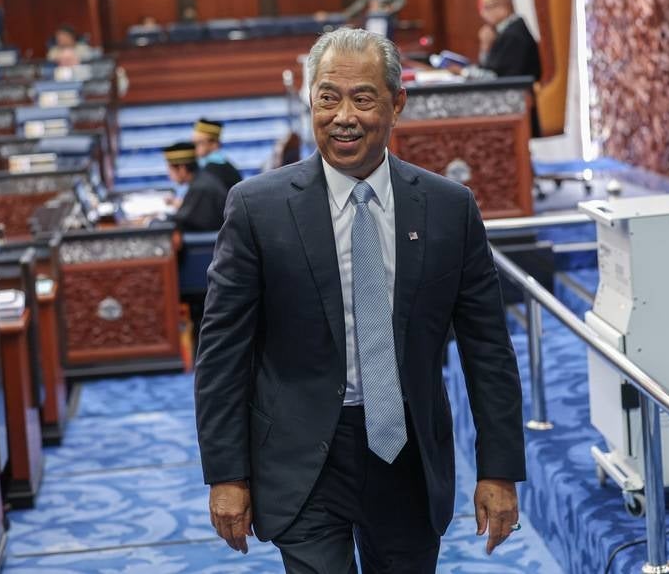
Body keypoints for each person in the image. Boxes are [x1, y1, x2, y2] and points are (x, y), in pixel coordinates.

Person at [194, 28, 525, 573]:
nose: (343, 115)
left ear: (396, 104)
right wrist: (226, 474)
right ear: (310, 101)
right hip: (301, 455)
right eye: (328, 97)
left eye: (362, 98)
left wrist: (499, 470)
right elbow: (222, 354)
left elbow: (487, 349)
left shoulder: (449, 209)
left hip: (406, 453)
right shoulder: (258, 209)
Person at [474, 0, 541, 80]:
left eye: (487, 8)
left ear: (503, 8)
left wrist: (485, 47)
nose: (483, 14)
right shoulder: (507, 31)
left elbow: (494, 78)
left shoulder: (513, 35)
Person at [163, 142, 227, 233]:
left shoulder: (200, 187)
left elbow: (183, 221)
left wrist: (151, 222)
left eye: (170, 169)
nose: (168, 174)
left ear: (182, 168)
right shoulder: (202, 180)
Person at [192, 119, 242, 191]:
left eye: (199, 143)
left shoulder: (213, 169)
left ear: (214, 144)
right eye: (193, 143)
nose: (194, 148)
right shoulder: (218, 164)